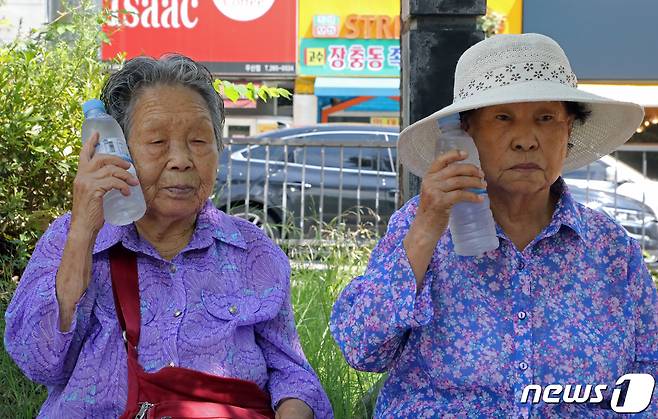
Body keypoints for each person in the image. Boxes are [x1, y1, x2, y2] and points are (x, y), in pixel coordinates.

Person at [330, 33, 658, 417]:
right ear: (467, 133)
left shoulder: (610, 248)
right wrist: (426, 227)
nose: (525, 140)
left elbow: (649, 368)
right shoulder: (421, 226)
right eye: (503, 117)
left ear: (568, 129)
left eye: (546, 118)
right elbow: (361, 348)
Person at [4, 54, 332, 419]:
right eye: (158, 142)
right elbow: (39, 363)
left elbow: (292, 374)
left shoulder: (253, 253)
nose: (181, 159)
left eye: (198, 140)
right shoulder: (70, 238)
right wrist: (83, 233)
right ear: (118, 150)